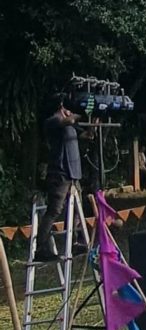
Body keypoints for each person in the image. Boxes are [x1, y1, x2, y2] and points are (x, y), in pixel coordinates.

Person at [35, 96, 89, 261]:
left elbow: (86, 135)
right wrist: (82, 113)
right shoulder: (52, 121)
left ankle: (73, 242)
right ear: (61, 107)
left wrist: (94, 120)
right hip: (60, 173)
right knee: (55, 210)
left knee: (76, 211)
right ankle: (41, 247)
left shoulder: (71, 124)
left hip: (73, 173)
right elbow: (66, 121)